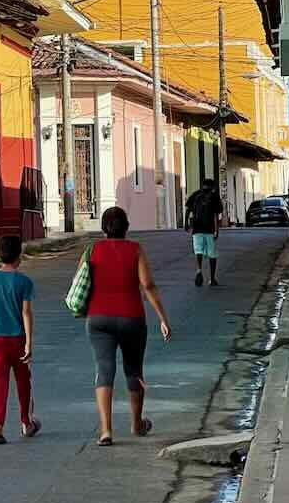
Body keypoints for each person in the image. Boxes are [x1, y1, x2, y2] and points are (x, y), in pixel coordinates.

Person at [84, 206, 171, 446]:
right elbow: (148, 284)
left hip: (98, 318)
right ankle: (136, 424)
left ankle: (106, 430)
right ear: (127, 227)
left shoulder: (93, 249)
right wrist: (162, 317)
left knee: (104, 369)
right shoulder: (135, 249)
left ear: (103, 228)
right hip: (132, 317)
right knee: (134, 370)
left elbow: (83, 282)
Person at [0, 234, 40, 445]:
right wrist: (29, 342)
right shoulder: (24, 282)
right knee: (24, 382)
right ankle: (26, 423)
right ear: (19, 256)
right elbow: (26, 313)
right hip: (19, 339)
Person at [184, 180, 223, 287]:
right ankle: (212, 278)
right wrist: (216, 231)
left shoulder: (196, 194)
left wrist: (186, 223)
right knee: (212, 254)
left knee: (198, 251)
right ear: (212, 187)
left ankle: (199, 270)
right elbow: (216, 215)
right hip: (209, 229)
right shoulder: (214, 196)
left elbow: (188, 209)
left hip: (197, 228)